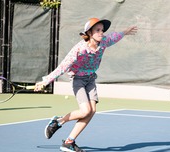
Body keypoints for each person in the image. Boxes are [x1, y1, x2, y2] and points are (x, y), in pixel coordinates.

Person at [35, 18, 137, 152]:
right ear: (89, 33)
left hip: (91, 79)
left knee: (92, 111)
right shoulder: (80, 49)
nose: (101, 33)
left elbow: (114, 37)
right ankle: (59, 121)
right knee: (85, 111)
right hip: (78, 80)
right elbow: (63, 66)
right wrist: (45, 81)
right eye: (98, 30)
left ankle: (69, 142)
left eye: (102, 30)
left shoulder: (103, 42)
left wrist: (125, 32)